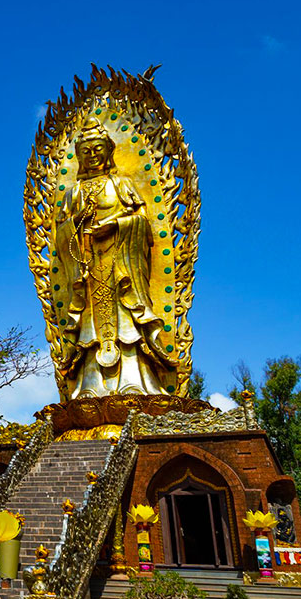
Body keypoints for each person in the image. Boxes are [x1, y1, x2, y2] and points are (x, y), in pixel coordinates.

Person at [54, 115, 175, 398]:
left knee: (127, 326)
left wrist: (116, 226)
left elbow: (143, 224)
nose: (92, 155)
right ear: (79, 157)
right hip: (88, 270)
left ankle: (136, 382)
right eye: (86, 151)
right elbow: (61, 234)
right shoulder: (74, 192)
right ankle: (90, 386)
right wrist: (76, 224)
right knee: (90, 331)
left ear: (108, 151)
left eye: (98, 149)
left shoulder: (121, 184)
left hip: (121, 269)